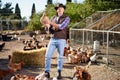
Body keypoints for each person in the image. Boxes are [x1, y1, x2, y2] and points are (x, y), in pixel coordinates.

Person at [44, 3, 70, 79]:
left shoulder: (67, 18)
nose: (60, 9)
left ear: (63, 9)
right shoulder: (53, 17)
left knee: (60, 57)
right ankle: (47, 72)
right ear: (57, 10)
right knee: (47, 56)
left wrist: (50, 23)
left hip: (62, 40)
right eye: (58, 8)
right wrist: (48, 27)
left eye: (61, 8)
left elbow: (61, 27)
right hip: (53, 39)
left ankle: (59, 72)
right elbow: (49, 29)